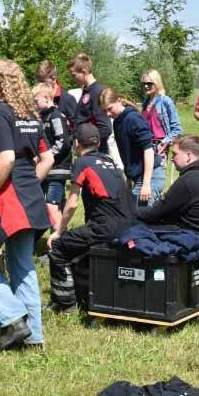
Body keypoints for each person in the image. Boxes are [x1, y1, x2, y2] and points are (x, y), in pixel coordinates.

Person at [0, 60, 53, 351]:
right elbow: (48, 159)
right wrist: (30, 184)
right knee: (23, 266)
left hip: (7, 197)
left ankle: (15, 320)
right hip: (31, 196)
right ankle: (34, 339)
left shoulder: (2, 113)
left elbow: (7, 158)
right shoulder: (29, 113)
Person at [46, 123, 136, 313]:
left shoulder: (82, 162)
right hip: (129, 226)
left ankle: (65, 303)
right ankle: (86, 293)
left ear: (76, 143)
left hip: (105, 228)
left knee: (58, 247)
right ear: (99, 142)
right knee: (80, 249)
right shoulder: (109, 161)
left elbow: (71, 204)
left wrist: (59, 231)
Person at [99, 87, 161, 206]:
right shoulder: (118, 122)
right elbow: (127, 153)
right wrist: (129, 176)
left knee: (139, 218)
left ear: (118, 100)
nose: (108, 114)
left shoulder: (133, 118)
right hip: (137, 177)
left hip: (150, 174)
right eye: (104, 111)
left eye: (110, 109)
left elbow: (148, 150)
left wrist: (146, 184)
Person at [33, 83, 72, 227]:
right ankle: (57, 238)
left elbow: (63, 141)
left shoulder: (55, 116)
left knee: (52, 206)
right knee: (51, 205)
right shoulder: (42, 117)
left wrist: (47, 156)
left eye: (36, 101)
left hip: (57, 169)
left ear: (46, 98)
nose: (34, 105)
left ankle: (58, 243)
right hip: (47, 169)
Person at [139, 69, 182, 171]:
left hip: (160, 147)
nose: (146, 86)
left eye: (149, 83)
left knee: (156, 179)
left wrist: (164, 143)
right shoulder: (145, 102)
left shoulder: (165, 101)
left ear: (157, 83)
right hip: (145, 145)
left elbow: (177, 129)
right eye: (144, 83)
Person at [69, 54, 111, 152]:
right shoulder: (87, 91)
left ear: (84, 71)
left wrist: (88, 144)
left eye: (74, 75)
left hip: (95, 153)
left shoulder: (98, 92)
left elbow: (105, 128)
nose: (72, 78)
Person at [36, 60, 77, 129]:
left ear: (54, 79)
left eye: (43, 82)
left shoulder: (67, 99)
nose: (40, 85)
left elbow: (76, 127)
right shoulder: (37, 99)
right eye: (39, 81)